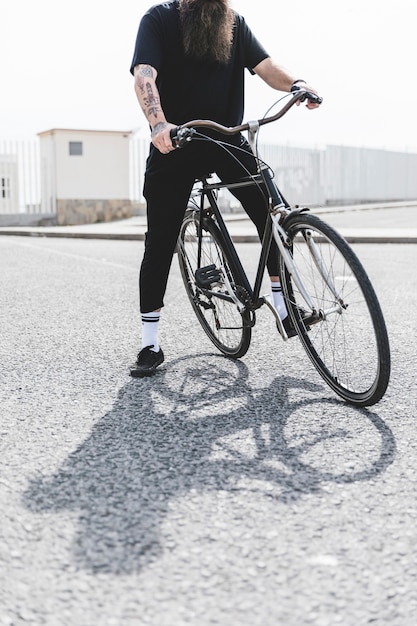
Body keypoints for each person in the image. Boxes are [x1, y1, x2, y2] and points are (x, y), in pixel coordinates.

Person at [129, 0, 320, 377]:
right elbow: (144, 76)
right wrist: (158, 124)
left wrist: (297, 83)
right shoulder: (159, 19)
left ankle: (284, 306)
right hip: (176, 142)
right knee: (161, 240)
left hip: (226, 140)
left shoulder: (232, 23)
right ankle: (150, 341)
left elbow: (266, 66)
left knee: (275, 214)